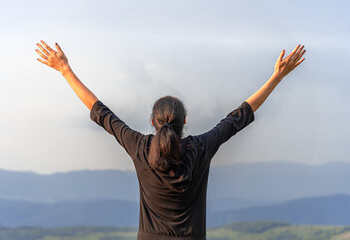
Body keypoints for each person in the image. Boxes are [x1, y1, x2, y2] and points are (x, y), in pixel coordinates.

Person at [36, 41, 305, 240]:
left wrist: (65, 70)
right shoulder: (200, 148)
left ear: (152, 122)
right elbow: (239, 116)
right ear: (184, 122)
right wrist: (277, 77)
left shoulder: (139, 146)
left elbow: (101, 113)